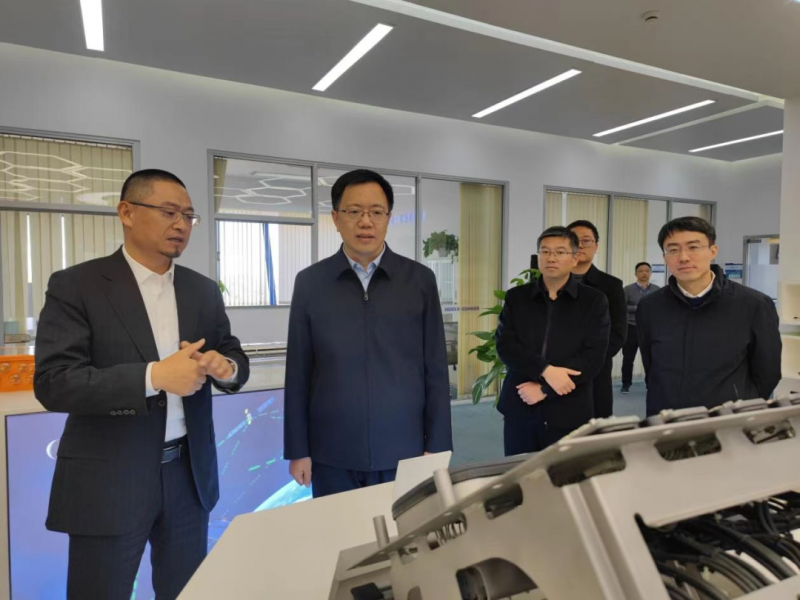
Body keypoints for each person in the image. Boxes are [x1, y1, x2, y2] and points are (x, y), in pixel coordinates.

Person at [34, 169, 250, 600]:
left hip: (188, 476)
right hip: (110, 477)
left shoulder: (202, 290)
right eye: (169, 212)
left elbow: (232, 354)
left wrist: (225, 367)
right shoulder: (77, 285)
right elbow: (55, 382)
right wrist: (153, 376)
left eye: (188, 216)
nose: (181, 225)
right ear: (127, 213)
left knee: (186, 592)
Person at [284, 169, 452, 498]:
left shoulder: (419, 280)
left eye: (376, 212)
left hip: (404, 448)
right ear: (336, 218)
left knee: (402, 529)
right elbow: (298, 372)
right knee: (336, 529)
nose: (365, 222)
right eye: (353, 211)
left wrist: (437, 445)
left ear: (388, 218)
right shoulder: (311, 283)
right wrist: (298, 449)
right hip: (331, 451)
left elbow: (435, 367)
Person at [637, 217, 781, 415]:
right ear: (664, 256)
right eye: (673, 249)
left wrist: (743, 402)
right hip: (667, 416)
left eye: (693, 247)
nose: (683, 257)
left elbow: (768, 372)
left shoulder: (753, 304)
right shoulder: (650, 306)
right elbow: (650, 364)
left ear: (713, 251)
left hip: (728, 419)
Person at [496, 226, 610, 455]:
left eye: (560, 252)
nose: (551, 258)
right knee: (521, 469)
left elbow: (593, 357)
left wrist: (545, 389)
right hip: (521, 401)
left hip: (570, 407)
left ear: (574, 258)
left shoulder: (593, 301)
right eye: (545, 251)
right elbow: (506, 345)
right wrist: (545, 370)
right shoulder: (517, 297)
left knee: (565, 471)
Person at [567, 220, 627, 418]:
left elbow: (617, 334)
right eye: (574, 240)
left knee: (594, 424)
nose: (580, 245)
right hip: (553, 371)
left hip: (595, 371)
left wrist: (585, 363)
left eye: (586, 240)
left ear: (596, 246)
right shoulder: (547, 282)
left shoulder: (611, 285)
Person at [621, 262, 660, 393]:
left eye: (647, 271)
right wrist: (639, 308)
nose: (644, 273)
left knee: (649, 359)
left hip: (649, 329)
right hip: (631, 327)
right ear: (635, 274)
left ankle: (650, 384)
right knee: (628, 358)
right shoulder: (627, 289)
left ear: (650, 273)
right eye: (641, 271)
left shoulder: (657, 290)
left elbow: (660, 308)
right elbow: (622, 307)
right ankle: (626, 384)